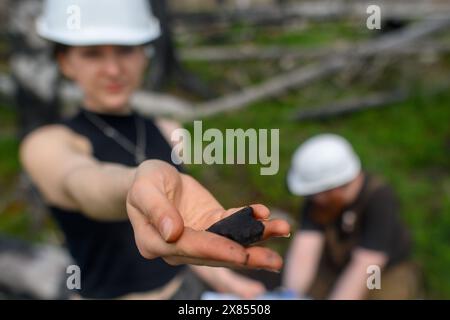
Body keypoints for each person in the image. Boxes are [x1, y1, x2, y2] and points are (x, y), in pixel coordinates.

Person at [20, 0, 290, 299]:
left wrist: (231, 283)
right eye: (92, 54)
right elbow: (82, 181)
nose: (113, 69)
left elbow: (185, 225)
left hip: (183, 292)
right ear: (65, 62)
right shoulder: (47, 144)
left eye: (125, 50)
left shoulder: (170, 131)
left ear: (144, 55)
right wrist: (135, 184)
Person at [283, 134, 420, 299]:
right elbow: (306, 246)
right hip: (337, 265)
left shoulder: (379, 197)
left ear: (333, 188)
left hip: (381, 271)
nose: (312, 199)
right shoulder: (318, 200)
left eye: (315, 194)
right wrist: (290, 294)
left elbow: (368, 261)